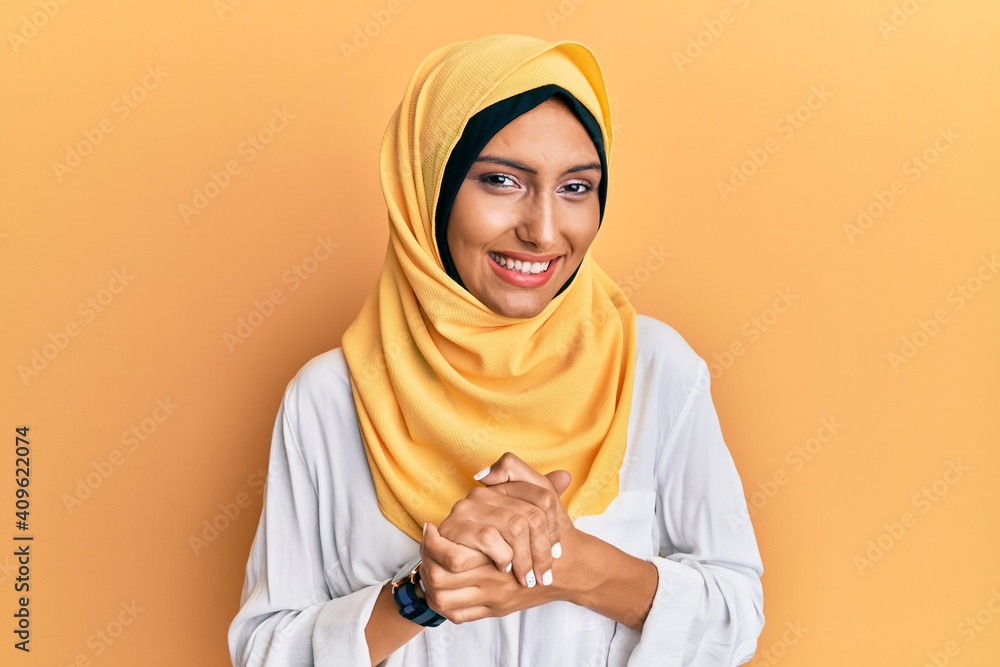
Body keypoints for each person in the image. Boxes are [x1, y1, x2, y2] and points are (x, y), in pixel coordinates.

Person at [228, 33, 764, 666]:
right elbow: (264, 654)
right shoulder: (331, 398)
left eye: (575, 187)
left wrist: (573, 564)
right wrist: (421, 596)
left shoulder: (652, 370)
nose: (542, 231)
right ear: (430, 187)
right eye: (502, 180)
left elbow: (736, 618)